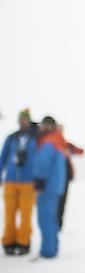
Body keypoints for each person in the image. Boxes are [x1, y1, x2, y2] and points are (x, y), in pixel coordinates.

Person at [0, 109, 38, 256]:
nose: (22, 121)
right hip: (10, 180)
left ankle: (23, 241)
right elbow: (3, 157)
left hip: (28, 182)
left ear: (29, 120)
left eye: (25, 119)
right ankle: (8, 241)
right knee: (9, 213)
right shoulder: (11, 138)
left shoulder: (36, 138)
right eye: (20, 119)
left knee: (25, 213)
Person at [33, 116, 67, 259]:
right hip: (56, 185)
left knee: (45, 219)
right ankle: (52, 248)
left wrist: (39, 180)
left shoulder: (48, 142)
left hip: (47, 186)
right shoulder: (59, 140)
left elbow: (43, 163)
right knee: (52, 218)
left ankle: (48, 251)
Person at [57, 126, 84, 230]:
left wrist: (71, 150)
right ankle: (54, 223)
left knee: (62, 201)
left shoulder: (67, 144)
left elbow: (81, 151)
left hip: (66, 177)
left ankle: (59, 224)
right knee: (55, 201)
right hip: (54, 179)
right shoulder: (51, 145)